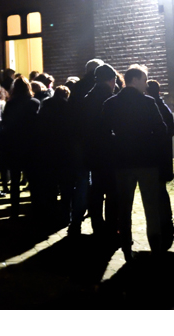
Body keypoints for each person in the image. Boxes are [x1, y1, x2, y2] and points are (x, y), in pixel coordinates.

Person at [101, 65, 173, 261]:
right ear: (135, 79)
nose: (146, 84)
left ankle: (126, 247)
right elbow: (162, 131)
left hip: (122, 162)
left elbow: (103, 134)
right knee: (151, 206)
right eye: (144, 79)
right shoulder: (148, 102)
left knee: (124, 207)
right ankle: (155, 248)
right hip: (147, 161)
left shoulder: (111, 103)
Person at [79, 63, 119, 242]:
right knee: (111, 189)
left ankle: (97, 224)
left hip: (91, 150)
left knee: (95, 188)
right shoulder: (109, 98)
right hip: (108, 150)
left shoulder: (87, 97)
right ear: (111, 80)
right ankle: (112, 226)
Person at [65, 59, 104, 236]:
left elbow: (70, 116)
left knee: (81, 181)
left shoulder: (77, 88)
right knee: (99, 182)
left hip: (79, 141)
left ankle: (76, 221)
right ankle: (98, 221)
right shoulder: (103, 88)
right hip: (97, 141)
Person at [0, 76, 41, 218]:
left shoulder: (10, 104)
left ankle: (14, 210)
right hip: (30, 146)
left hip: (14, 145)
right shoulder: (34, 102)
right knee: (33, 179)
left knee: (15, 180)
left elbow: (6, 123)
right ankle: (35, 208)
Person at [35, 85, 72, 224]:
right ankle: (65, 215)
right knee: (66, 186)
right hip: (64, 151)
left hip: (48, 151)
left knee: (50, 184)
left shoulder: (45, 108)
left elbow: (39, 129)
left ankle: (50, 212)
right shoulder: (68, 108)